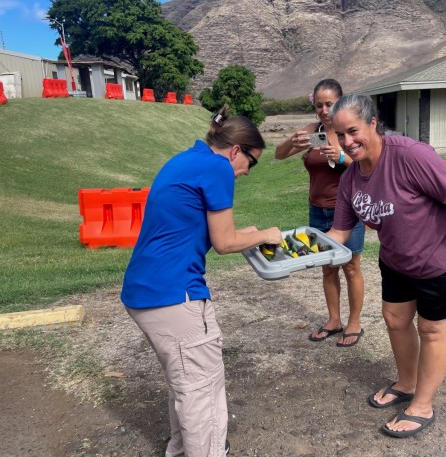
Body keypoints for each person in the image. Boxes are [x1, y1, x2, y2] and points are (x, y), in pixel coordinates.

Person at [121, 105, 282, 457]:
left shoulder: (187, 159)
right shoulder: (217, 167)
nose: (246, 173)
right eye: (250, 163)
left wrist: (249, 234)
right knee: (202, 388)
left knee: (184, 383)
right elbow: (224, 243)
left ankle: (181, 448)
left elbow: (193, 228)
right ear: (236, 151)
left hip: (144, 291)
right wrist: (265, 234)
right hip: (173, 295)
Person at [325, 94, 446, 438]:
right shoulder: (351, 179)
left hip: (439, 261)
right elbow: (339, 231)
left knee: (431, 329)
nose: (348, 142)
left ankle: (423, 404)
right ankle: (407, 382)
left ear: (373, 123)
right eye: (341, 135)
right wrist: (299, 251)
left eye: (353, 131)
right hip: (396, 261)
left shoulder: (410, 155)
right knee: (396, 320)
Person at [275, 79, 366, 347]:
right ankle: (334, 320)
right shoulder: (313, 132)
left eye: (329, 104)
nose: (324, 110)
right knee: (327, 269)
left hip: (347, 211)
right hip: (318, 211)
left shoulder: (347, 132)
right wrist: (291, 141)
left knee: (351, 267)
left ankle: (355, 323)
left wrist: (340, 157)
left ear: (340, 101)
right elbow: (279, 155)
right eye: (319, 105)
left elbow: (365, 167)